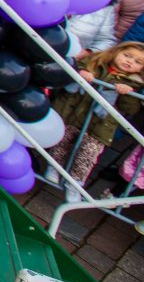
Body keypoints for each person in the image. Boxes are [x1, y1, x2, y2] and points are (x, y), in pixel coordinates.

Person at [46, 42, 144, 202]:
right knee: (63, 141)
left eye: (137, 62)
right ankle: (54, 167)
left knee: (88, 153)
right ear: (116, 51)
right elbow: (75, 69)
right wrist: (84, 72)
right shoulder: (95, 61)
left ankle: (75, 182)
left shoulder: (134, 83)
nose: (130, 61)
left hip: (101, 124)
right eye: (127, 55)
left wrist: (127, 94)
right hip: (74, 113)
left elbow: (131, 108)